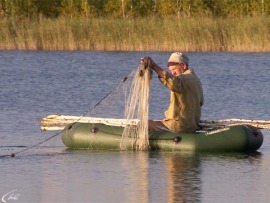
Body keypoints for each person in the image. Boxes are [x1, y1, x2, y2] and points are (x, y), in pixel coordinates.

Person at [142, 52, 204, 133]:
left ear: (183, 66)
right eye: (171, 71)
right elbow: (201, 102)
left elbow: (173, 82)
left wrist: (153, 66)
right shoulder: (196, 80)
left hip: (177, 126)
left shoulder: (183, 79)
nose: (172, 73)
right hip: (192, 126)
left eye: (174, 69)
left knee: (144, 124)